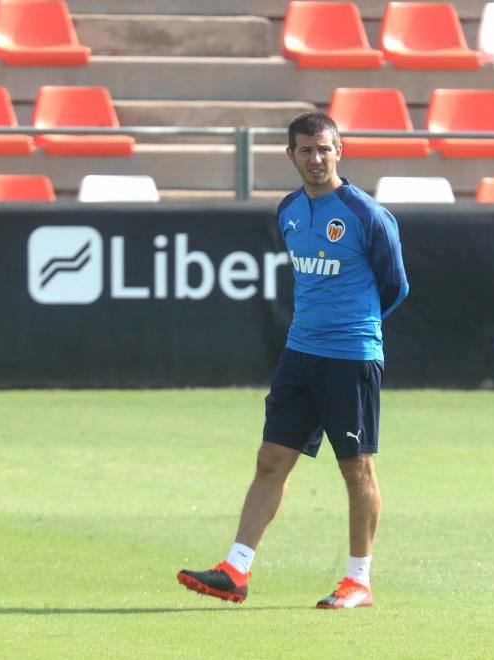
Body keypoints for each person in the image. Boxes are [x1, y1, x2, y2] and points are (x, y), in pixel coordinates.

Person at [177, 112, 409, 609]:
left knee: (356, 468)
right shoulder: (288, 211)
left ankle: (358, 581)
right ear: (291, 156)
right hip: (300, 355)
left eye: (324, 148)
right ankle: (235, 569)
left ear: (339, 150)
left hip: (350, 358)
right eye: (306, 150)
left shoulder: (367, 214)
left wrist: (355, 327)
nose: (316, 158)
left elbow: (395, 285)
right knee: (271, 460)